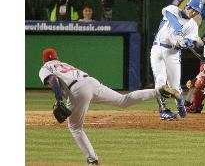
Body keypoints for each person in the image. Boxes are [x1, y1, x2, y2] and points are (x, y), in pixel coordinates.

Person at [38, 48, 181, 165]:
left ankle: (92, 160)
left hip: (77, 90)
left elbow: (54, 79)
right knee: (123, 100)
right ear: (57, 57)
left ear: (44, 60)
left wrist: (58, 100)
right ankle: (158, 91)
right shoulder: (65, 64)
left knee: (75, 127)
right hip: (91, 82)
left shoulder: (45, 67)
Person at [150, 0, 204, 120]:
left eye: (197, 12)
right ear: (187, 6)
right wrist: (179, 32)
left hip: (173, 53)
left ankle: (180, 106)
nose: (194, 13)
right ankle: (163, 110)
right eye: (193, 10)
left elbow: (189, 40)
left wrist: (186, 43)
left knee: (175, 85)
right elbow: (171, 18)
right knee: (160, 81)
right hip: (157, 49)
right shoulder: (173, 9)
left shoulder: (193, 25)